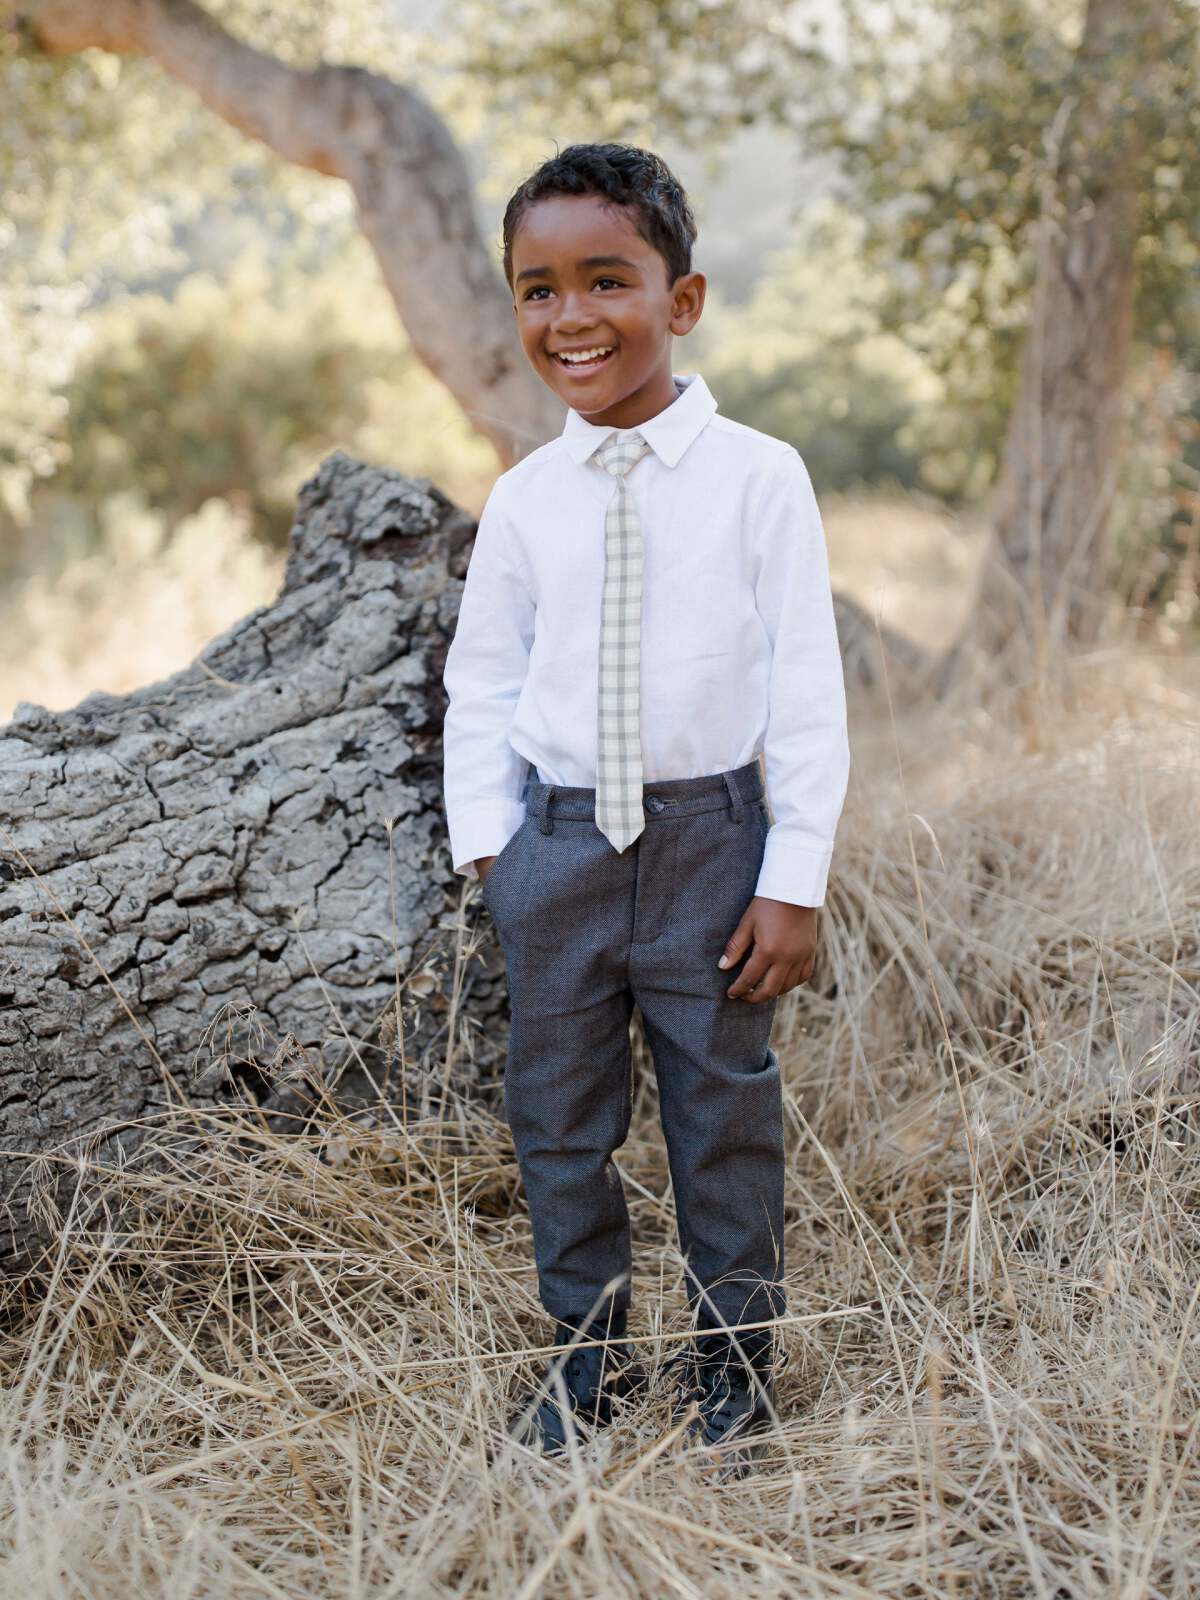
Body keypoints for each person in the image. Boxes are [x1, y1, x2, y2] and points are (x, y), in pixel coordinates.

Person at [441, 142, 849, 1470]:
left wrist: (792, 878)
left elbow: (805, 695)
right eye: (537, 288)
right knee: (559, 1124)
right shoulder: (525, 501)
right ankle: (586, 1368)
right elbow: (482, 686)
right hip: (555, 852)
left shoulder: (758, 478)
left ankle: (734, 1381)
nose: (571, 317)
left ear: (682, 300)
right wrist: (493, 850)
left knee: (723, 1123)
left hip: (711, 853)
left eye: (606, 280)